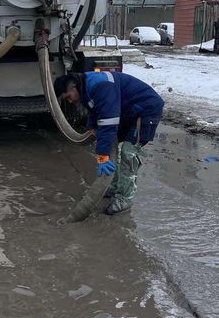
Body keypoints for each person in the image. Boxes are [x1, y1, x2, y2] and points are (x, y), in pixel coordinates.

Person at [54, 70, 164, 216]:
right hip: (127, 110)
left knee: (128, 152)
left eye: (68, 96)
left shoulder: (99, 85)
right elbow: (95, 109)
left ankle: (125, 198)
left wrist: (102, 157)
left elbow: (108, 123)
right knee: (114, 148)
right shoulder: (85, 86)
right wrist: (92, 127)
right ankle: (113, 186)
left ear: (73, 86)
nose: (69, 101)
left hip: (145, 110)